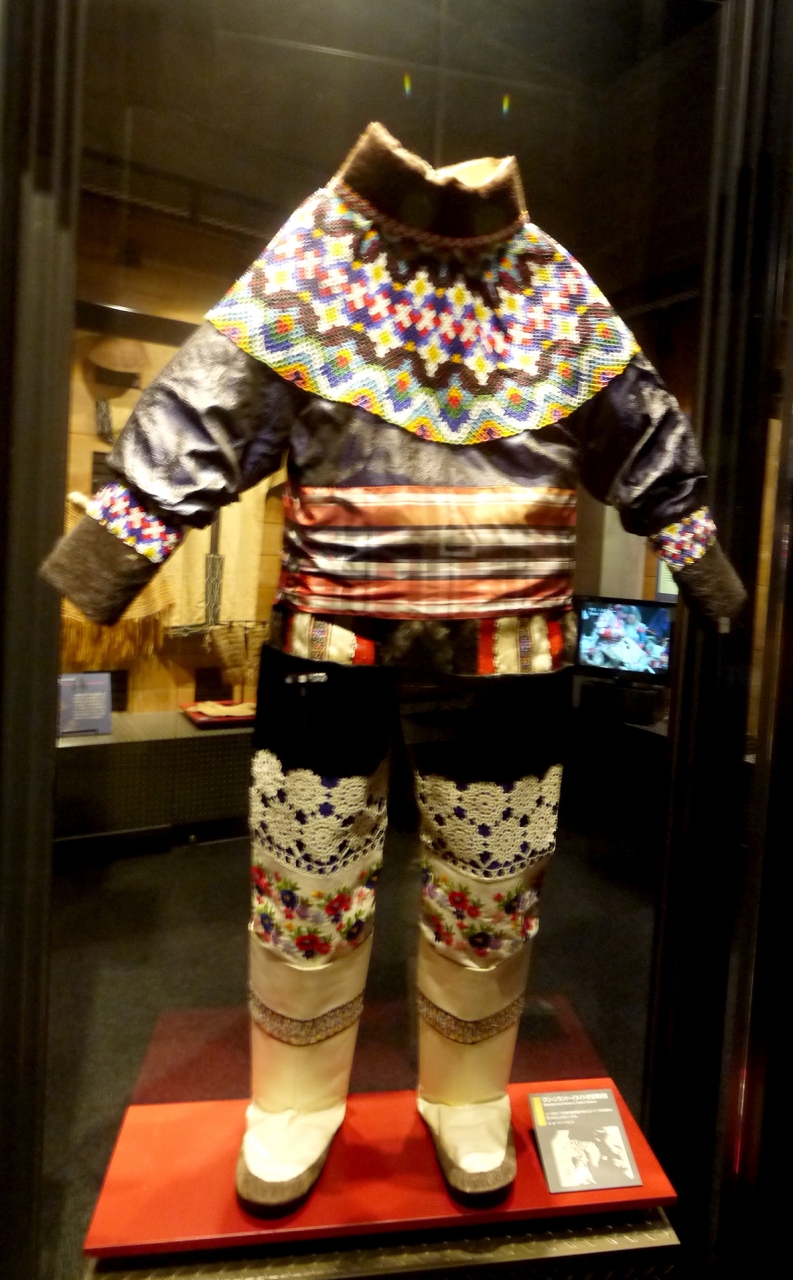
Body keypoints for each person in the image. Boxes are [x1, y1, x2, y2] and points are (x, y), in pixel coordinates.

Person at [42, 122, 745, 1208]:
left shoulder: (553, 285)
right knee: (305, 867)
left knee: (493, 876)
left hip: (510, 642)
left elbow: (641, 433)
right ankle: (292, 1099)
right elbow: (202, 408)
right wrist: (107, 562)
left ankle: (468, 1093)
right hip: (333, 633)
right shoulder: (318, 255)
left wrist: (707, 571)